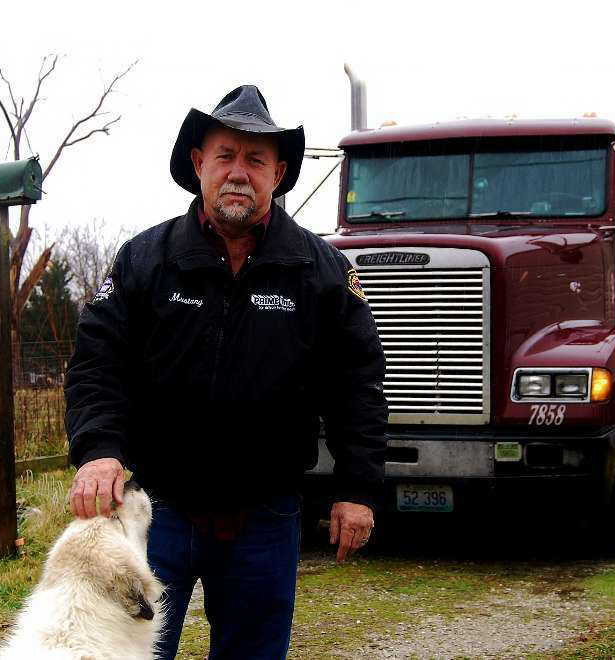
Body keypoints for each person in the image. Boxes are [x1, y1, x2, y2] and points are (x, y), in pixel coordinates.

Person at [64, 85, 388, 659]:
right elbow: (97, 361)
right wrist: (99, 450)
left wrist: (357, 487)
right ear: (199, 165)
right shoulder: (145, 260)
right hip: (154, 511)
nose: (239, 173)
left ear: (279, 173)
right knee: (121, 652)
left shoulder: (322, 271)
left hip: (264, 516)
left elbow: (356, 383)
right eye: (225, 156)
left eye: (256, 159)